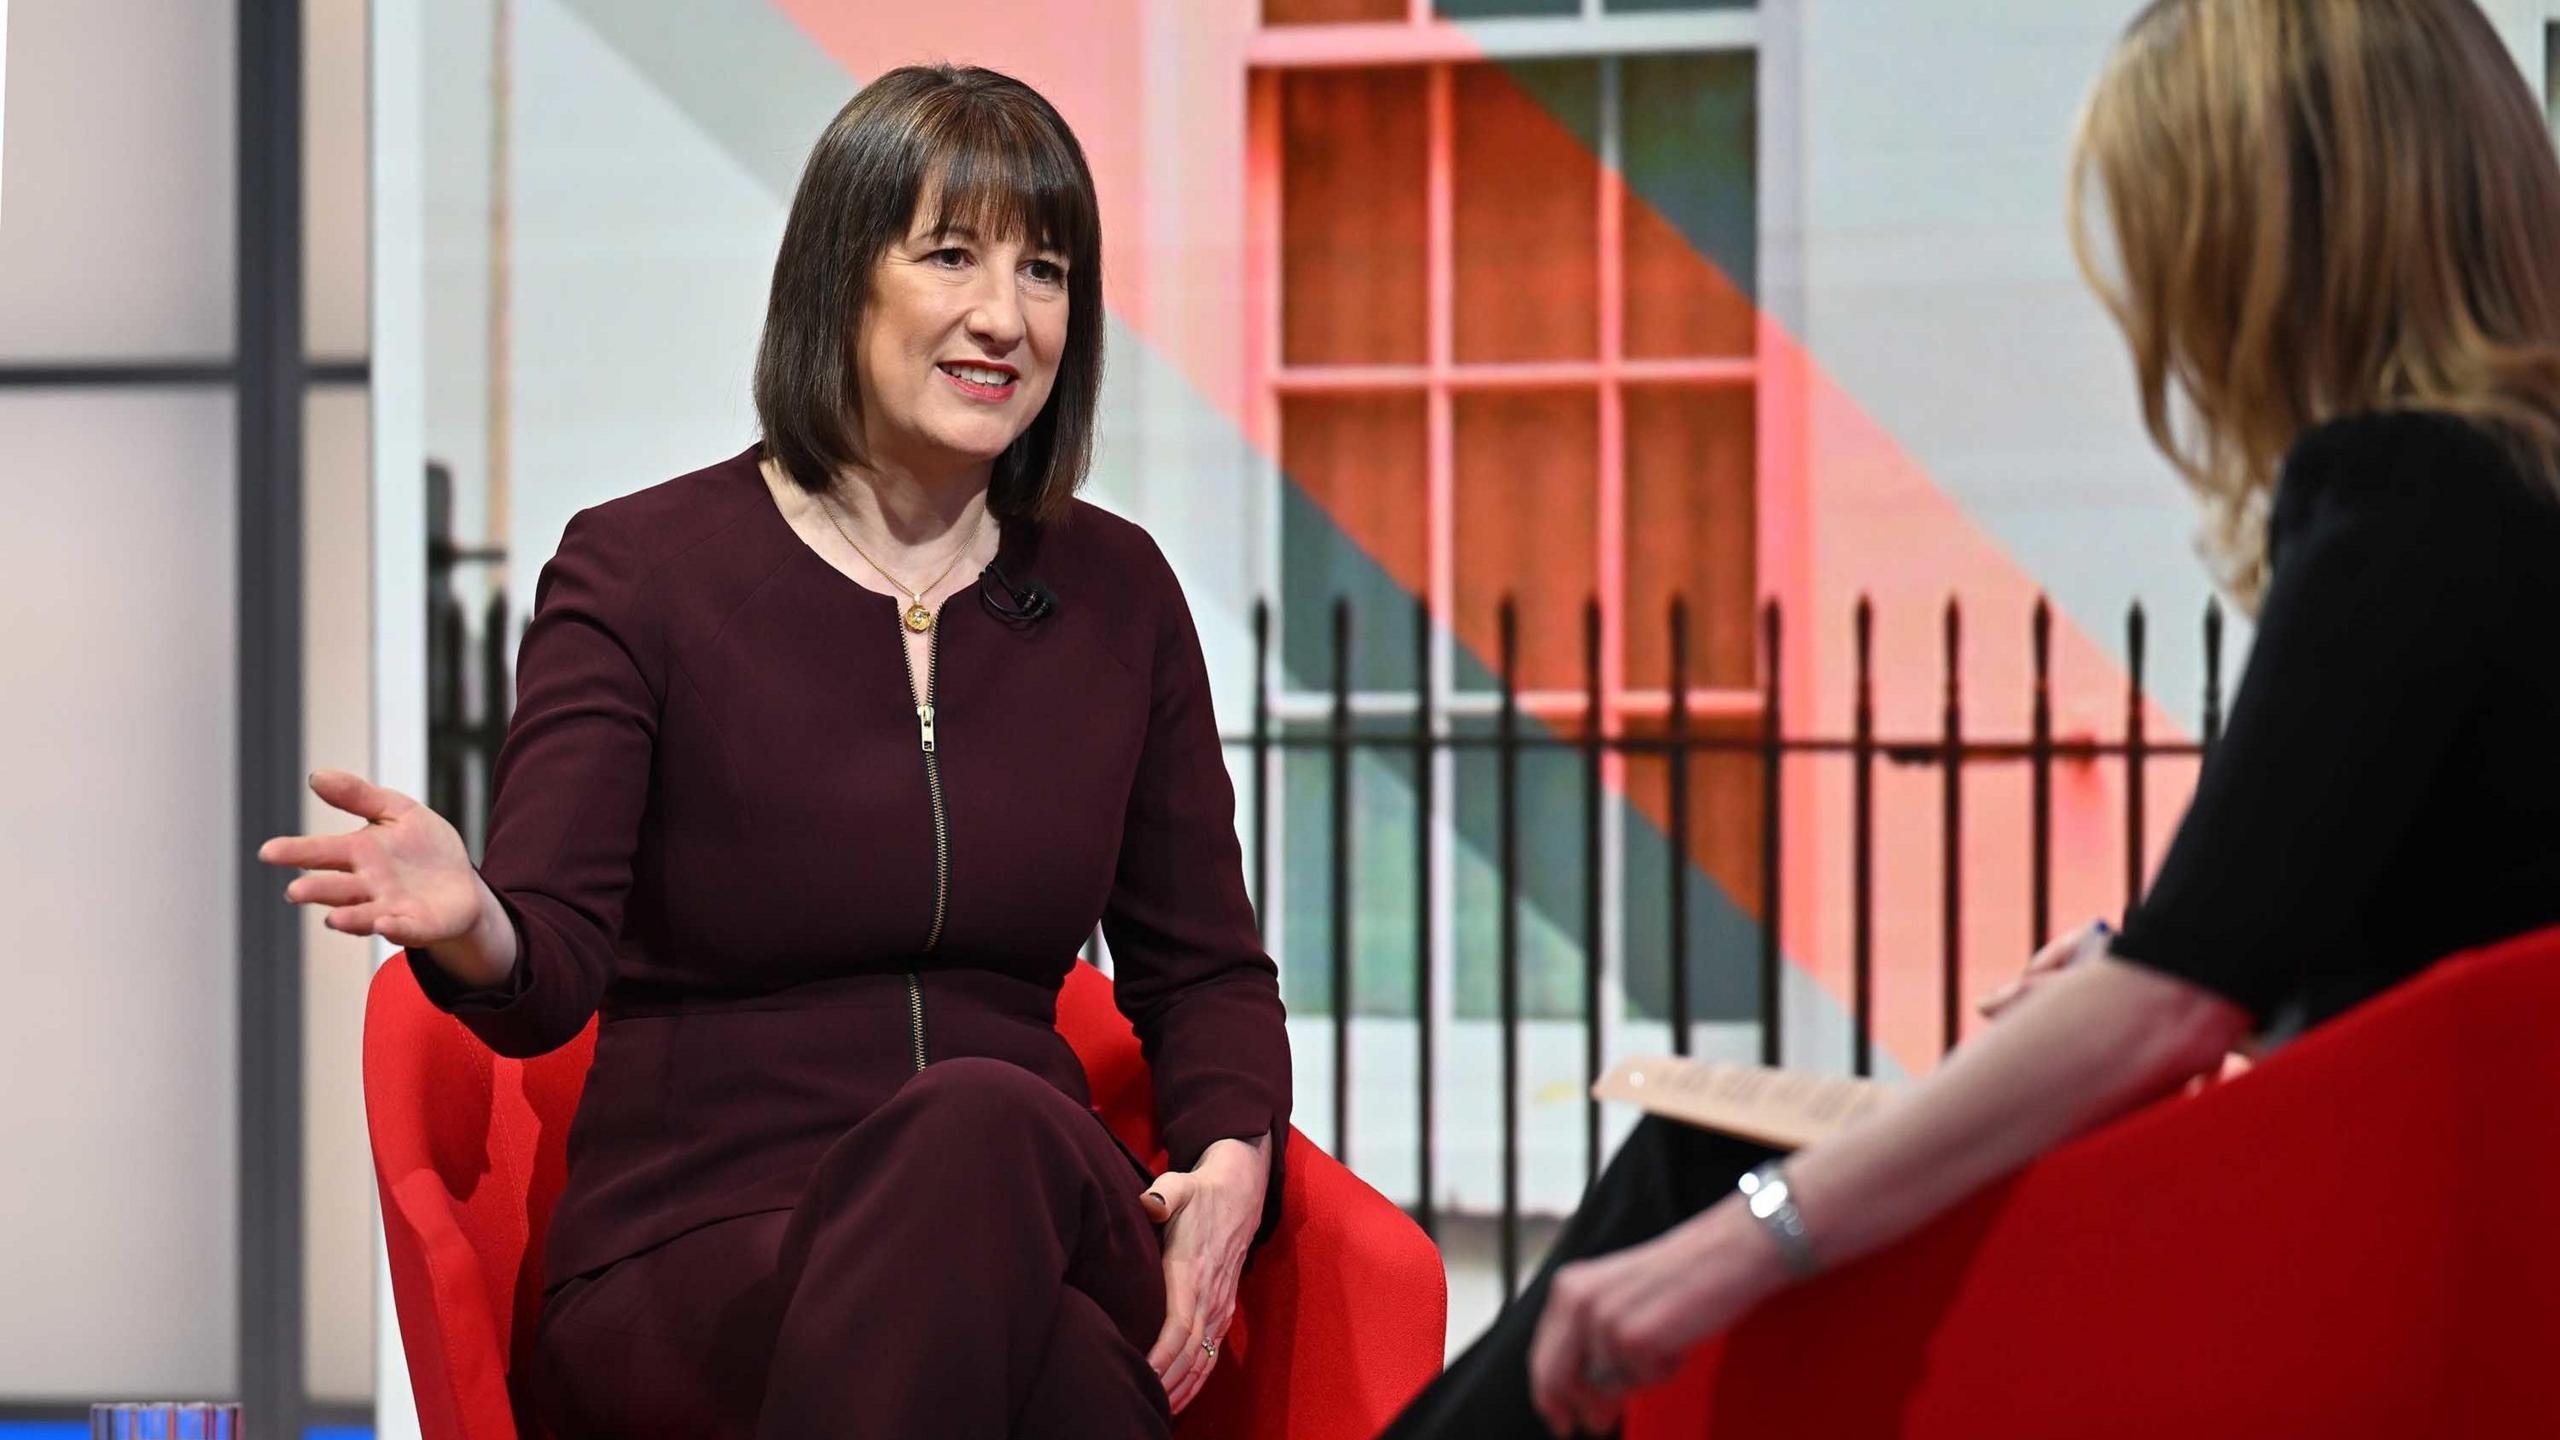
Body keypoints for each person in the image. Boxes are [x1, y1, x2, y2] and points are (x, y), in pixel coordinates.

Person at [1380, 1, 2560, 1434]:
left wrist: (1752, 1233)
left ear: (2265, 245)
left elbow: (2182, 1002)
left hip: (2347, 1288)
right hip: (2443, 1259)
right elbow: (2403, 945)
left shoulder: (2406, 494)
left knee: (1702, 1174)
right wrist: (2140, 965)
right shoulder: (2510, 500)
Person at [259, 65, 1290, 1440]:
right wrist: (478, 923)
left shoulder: (1118, 597)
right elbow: (552, 968)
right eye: (951, 256)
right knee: (1062, 1385)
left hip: (1022, 1199)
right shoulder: (643, 576)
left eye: (1046, 271)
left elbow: (1205, 968)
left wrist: (1229, 1166)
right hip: (705, 1254)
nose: (1006, 316)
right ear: (839, 280)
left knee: (979, 1124)